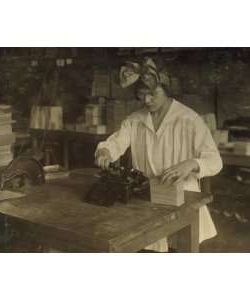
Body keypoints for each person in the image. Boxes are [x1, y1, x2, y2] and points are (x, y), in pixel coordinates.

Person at [95, 58, 223, 252]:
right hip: (147, 201)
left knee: (179, 251)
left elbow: (215, 161)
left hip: (181, 201)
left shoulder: (188, 119)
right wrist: (105, 151)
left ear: (166, 89)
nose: (146, 100)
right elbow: (115, 143)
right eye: (141, 95)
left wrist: (191, 163)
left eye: (152, 94)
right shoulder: (135, 120)